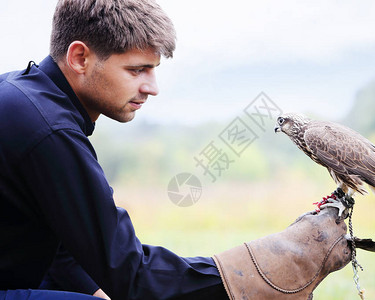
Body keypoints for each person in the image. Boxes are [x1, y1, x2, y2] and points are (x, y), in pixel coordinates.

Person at [0, 1, 352, 299]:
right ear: (80, 58)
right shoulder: (49, 130)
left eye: (153, 70)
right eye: (137, 70)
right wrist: (265, 267)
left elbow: (63, 239)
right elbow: (131, 274)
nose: (152, 87)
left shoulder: (20, 96)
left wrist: (97, 290)